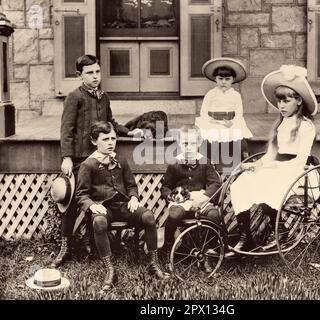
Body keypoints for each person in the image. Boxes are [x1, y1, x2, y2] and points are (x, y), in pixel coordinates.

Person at [51, 54, 143, 268]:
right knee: (72, 203)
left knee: (100, 200)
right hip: (80, 159)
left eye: (97, 72)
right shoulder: (74, 97)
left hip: (100, 159)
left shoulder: (104, 97)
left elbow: (110, 122)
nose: (95, 76)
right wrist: (67, 157)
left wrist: (129, 132)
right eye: (90, 73)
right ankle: (65, 248)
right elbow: (67, 129)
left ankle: (93, 242)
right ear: (79, 75)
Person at [229, 65, 318, 253]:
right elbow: (270, 155)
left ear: (299, 101)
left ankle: (281, 231)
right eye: (279, 102)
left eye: (286, 101)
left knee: (267, 184)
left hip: (298, 172)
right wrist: (256, 164)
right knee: (240, 184)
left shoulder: (306, 126)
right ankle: (246, 237)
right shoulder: (281, 124)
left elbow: (301, 160)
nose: (281, 106)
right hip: (277, 168)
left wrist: (274, 167)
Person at [76, 121, 169, 291]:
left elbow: (131, 185)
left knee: (148, 216)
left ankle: (153, 264)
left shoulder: (120, 159)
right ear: (94, 141)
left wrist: (133, 197)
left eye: (113, 138)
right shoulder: (88, 165)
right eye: (105, 139)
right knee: (99, 222)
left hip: (124, 206)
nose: (111, 142)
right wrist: (91, 206)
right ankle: (110, 270)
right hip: (104, 208)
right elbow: (81, 194)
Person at [160, 124, 222, 272]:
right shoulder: (174, 165)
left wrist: (205, 197)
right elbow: (165, 186)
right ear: (179, 143)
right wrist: (171, 196)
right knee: (174, 215)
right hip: (181, 203)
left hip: (200, 203)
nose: (189, 147)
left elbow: (215, 183)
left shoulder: (205, 162)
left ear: (199, 143)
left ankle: (207, 252)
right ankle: (168, 248)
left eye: (193, 143)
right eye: (185, 143)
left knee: (213, 214)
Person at [195, 57, 253, 167]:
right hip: (213, 121)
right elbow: (203, 112)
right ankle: (208, 162)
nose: (223, 82)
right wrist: (211, 121)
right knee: (208, 137)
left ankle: (245, 159)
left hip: (230, 121)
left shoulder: (236, 95)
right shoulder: (211, 94)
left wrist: (233, 122)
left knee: (239, 136)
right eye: (220, 78)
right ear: (215, 79)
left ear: (233, 80)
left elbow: (239, 113)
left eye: (227, 79)